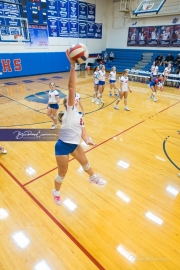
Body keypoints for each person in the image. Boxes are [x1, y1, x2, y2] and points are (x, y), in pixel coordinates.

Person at [52, 50, 106, 205]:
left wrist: (87, 139)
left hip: (75, 145)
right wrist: (72, 65)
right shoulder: (69, 110)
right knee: (62, 174)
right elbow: (71, 87)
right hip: (62, 146)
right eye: (74, 97)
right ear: (69, 102)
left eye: (76, 97)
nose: (75, 98)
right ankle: (56, 192)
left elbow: (83, 131)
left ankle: (93, 177)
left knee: (86, 163)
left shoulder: (80, 115)